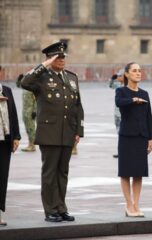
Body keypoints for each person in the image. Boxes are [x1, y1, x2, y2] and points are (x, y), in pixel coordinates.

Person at [21, 41, 84, 222]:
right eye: (58, 57)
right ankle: (50, 210)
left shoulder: (71, 78)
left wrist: (78, 130)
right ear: (49, 59)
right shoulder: (41, 78)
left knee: (62, 172)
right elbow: (25, 82)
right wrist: (43, 66)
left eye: (64, 57)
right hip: (49, 133)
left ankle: (61, 208)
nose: (62, 60)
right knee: (49, 173)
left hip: (68, 132)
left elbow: (78, 105)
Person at [115, 62, 152, 217]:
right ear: (127, 74)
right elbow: (119, 102)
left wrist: (151, 137)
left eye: (139, 71)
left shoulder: (145, 93)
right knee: (125, 172)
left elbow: (148, 117)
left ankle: (136, 204)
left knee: (138, 173)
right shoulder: (121, 91)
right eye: (134, 71)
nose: (138, 73)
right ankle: (128, 205)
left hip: (141, 136)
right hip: (126, 137)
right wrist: (133, 100)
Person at [0, 82, 21, 226]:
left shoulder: (6, 90)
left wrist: (16, 137)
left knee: (2, 177)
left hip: (4, 141)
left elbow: (13, 113)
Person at [16, 73, 37, 152]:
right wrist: (19, 79)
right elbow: (18, 85)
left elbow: (36, 101)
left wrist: (34, 111)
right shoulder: (25, 87)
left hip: (30, 111)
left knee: (31, 129)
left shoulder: (32, 88)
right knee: (27, 128)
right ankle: (30, 144)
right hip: (25, 112)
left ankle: (32, 145)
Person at [110, 69, 124, 158]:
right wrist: (112, 79)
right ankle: (121, 152)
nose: (118, 77)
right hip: (117, 114)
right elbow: (111, 86)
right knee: (119, 134)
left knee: (123, 134)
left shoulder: (128, 86)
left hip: (123, 114)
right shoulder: (118, 85)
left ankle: (125, 152)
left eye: (120, 76)